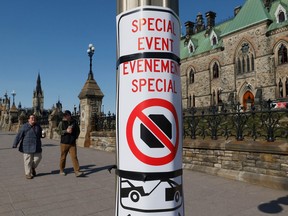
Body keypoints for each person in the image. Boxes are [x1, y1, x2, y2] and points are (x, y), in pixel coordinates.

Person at [12, 114, 43, 179]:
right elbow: (19, 135)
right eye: (32, 118)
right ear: (28, 119)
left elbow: (40, 135)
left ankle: (32, 168)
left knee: (38, 158)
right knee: (27, 161)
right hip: (27, 146)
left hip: (37, 146)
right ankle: (28, 174)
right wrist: (15, 143)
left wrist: (43, 135)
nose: (33, 119)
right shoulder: (24, 126)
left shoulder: (38, 126)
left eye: (34, 118)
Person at [57, 110, 83, 177]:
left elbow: (78, 131)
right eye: (64, 115)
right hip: (64, 143)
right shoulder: (61, 122)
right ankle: (61, 170)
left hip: (72, 143)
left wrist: (75, 137)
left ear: (69, 115)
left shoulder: (74, 122)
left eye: (66, 115)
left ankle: (77, 171)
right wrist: (66, 131)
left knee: (74, 157)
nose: (65, 116)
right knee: (63, 157)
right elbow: (58, 131)